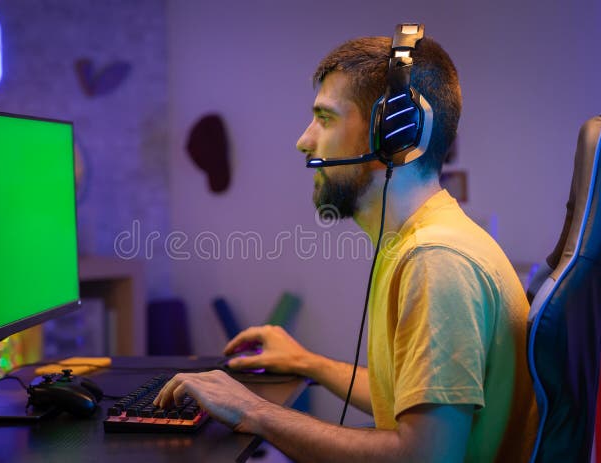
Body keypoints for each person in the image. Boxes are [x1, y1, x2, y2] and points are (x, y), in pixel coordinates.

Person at [155, 32, 537, 462]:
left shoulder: (437, 261)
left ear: (395, 134)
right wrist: (307, 362)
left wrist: (252, 410)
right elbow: (406, 402)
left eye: (325, 117)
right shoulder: (418, 242)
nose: (304, 140)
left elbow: (424, 457)